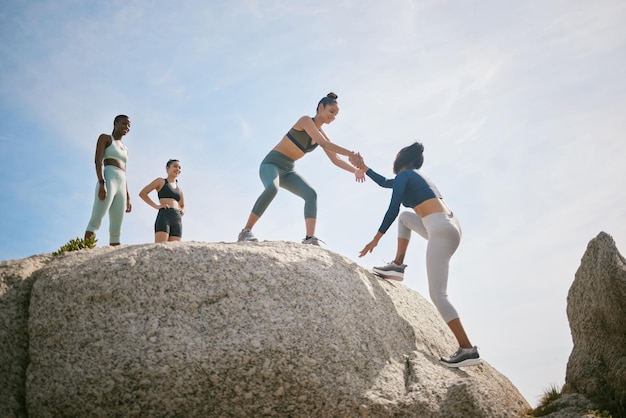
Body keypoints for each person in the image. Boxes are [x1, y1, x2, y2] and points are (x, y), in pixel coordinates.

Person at [358, 142, 481, 368]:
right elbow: (387, 183)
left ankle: (467, 349)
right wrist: (365, 168)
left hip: (440, 229)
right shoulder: (416, 176)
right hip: (448, 226)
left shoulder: (406, 175)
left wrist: (376, 238)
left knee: (438, 295)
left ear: (401, 161)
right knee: (407, 218)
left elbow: (393, 207)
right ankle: (397, 265)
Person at [237, 92, 364, 245]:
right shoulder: (305, 121)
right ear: (321, 107)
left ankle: (310, 239)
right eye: (331, 111)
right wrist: (350, 153)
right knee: (272, 188)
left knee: (311, 194)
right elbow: (324, 144)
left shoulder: (321, 135)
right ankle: (246, 232)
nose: (333, 116)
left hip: (288, 170)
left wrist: (355, 171)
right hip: (272, 164)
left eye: (336, 114)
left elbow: (335, 159)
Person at [84, 115, 132, 246]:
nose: (126, 127)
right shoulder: (105, 138)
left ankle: (114, 258)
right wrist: (101, 182)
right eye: (124, 124)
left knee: (117, 227)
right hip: (109, 179)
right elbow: (98, 161)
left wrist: (127, 196)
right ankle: (86, 251)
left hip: (122, 183)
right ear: (115, 124)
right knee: (96, 220)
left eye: (129, 126)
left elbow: (125, 173)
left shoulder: (125, 149)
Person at [139, 159, 185, 243]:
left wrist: (182, 210)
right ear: (167, 168)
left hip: (177, 219)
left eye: (179, 167)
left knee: (175, 250)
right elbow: (143, 193)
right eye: (175, 166)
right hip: (164, 216)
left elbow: (182, 205)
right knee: (160, 248)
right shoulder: (160, 181)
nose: (178, 169)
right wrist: (156, 206)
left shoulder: (180, 189)